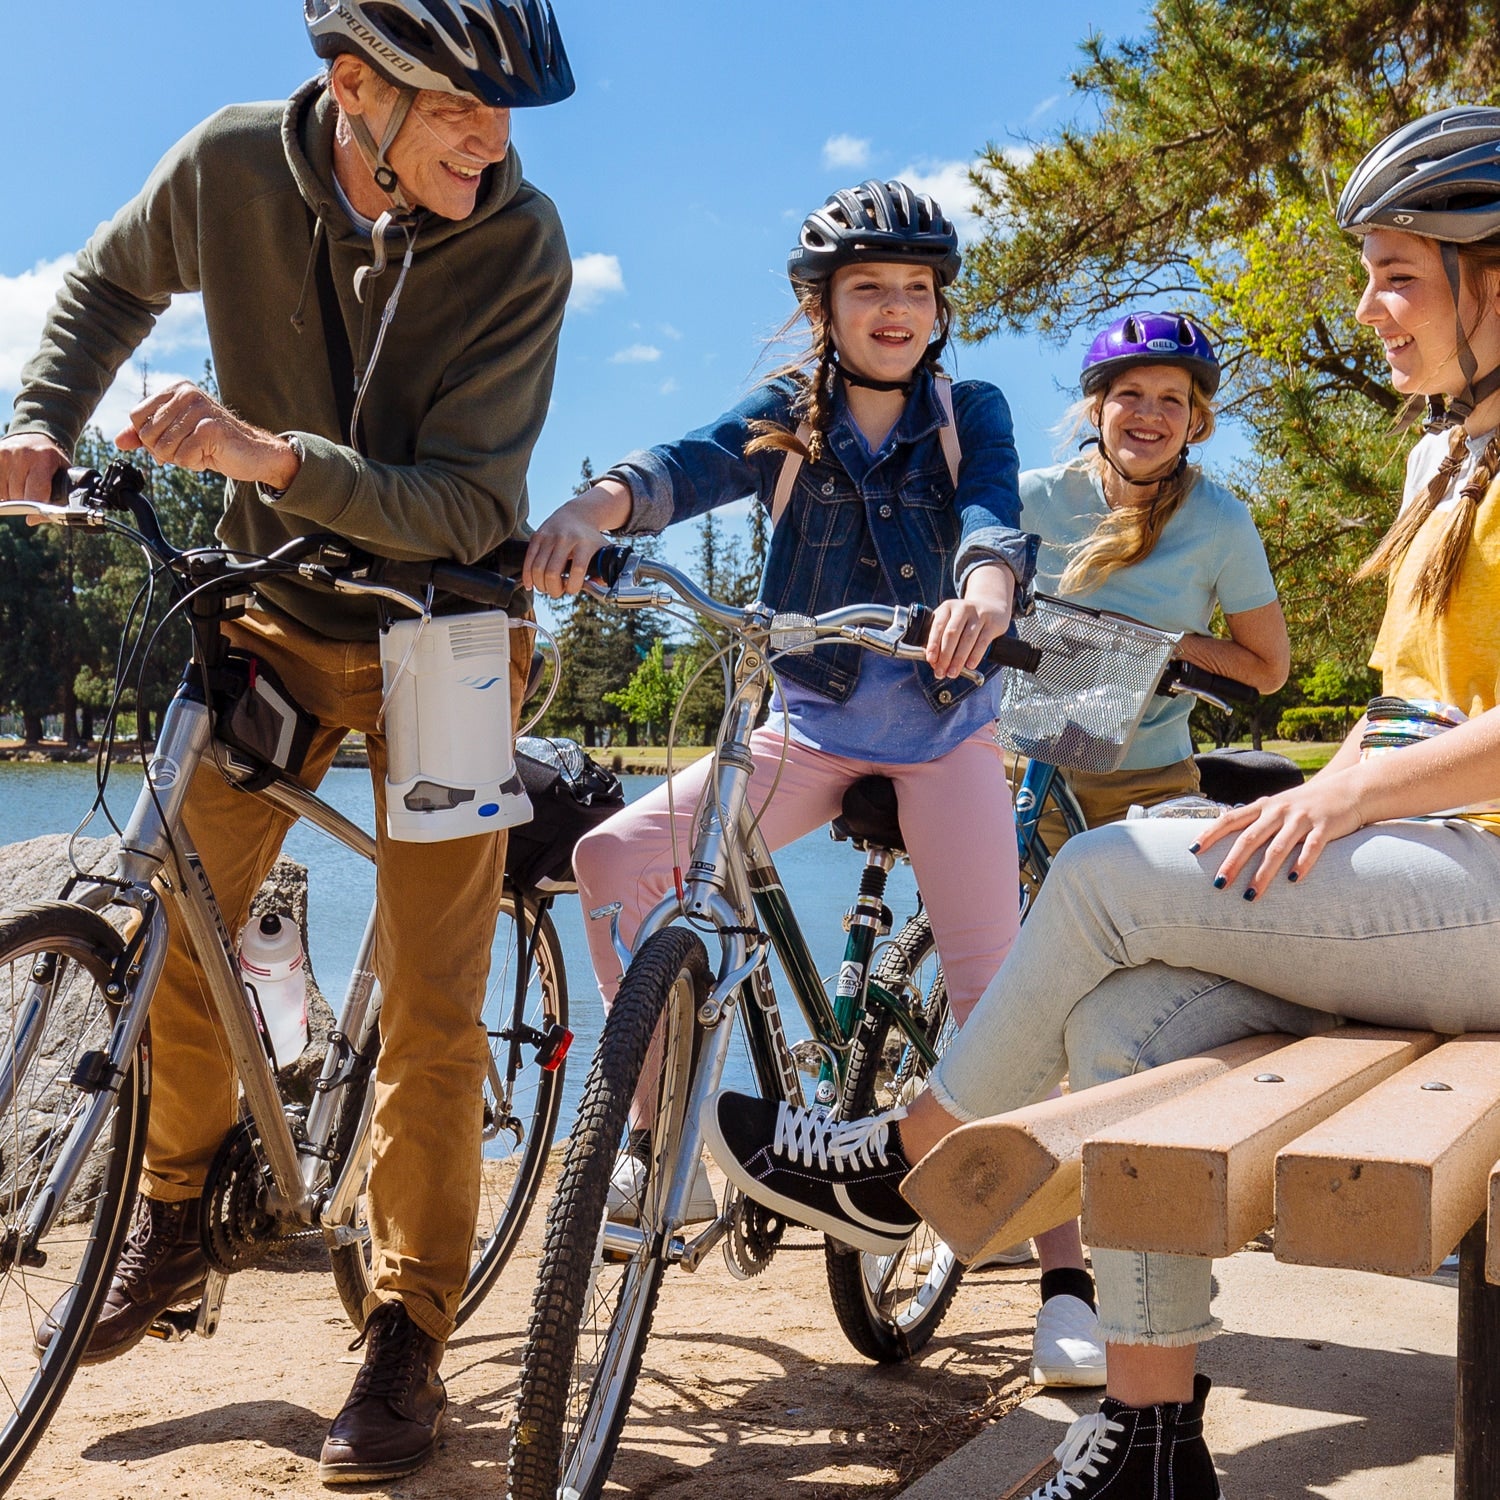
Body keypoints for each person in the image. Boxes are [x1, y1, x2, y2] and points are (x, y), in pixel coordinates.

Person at [704, 103, 1500, 1500]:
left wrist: (1354, 790)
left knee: (1111, 870)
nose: (1370, 308)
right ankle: (1148, 1435)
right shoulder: (1452, 456)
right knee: (1119, 1022)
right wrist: (1341, 793)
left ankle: (905, 1161)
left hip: (1482, 891)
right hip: (1429, 880)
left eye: (1399, 275)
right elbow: (1413, 703)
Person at [0, 0, 573, 1483]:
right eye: (459, 106)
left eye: (505, 113)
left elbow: (463, 505)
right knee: (183, 925)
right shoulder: (234, 164)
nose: (491, 141)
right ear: (354, 88)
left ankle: (406, 1335)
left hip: (447, 641)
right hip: (272, 618)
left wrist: (265, 457)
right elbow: (107, 283)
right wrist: (39, 416)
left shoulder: (521, 243)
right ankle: (177, 1212)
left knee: (438, 1002)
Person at [523, 174, 1060, 1313]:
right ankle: (657, 1139)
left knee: (999, 999)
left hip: (941, 738)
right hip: (806, 729)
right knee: (612, 861)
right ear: (823, 305)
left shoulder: (973, 414)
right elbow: (684, 466)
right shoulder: (785, 416)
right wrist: (595, 508)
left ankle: (1069, 1283)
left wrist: (988, 590)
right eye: (869, 288)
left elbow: (992, 515)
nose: (897, 309)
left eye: (917, 288)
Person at [1022, 312, 1289, 834]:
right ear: (1098, 408)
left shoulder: (1220, 521)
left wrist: (1161, 644)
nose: (1150, 414)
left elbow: (1267, 668)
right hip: (1020, 762)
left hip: (1148, 778)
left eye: (1172, 399)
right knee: (999, 912)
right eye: (1131, 394)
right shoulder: (1031, 498)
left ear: (1195, 422)